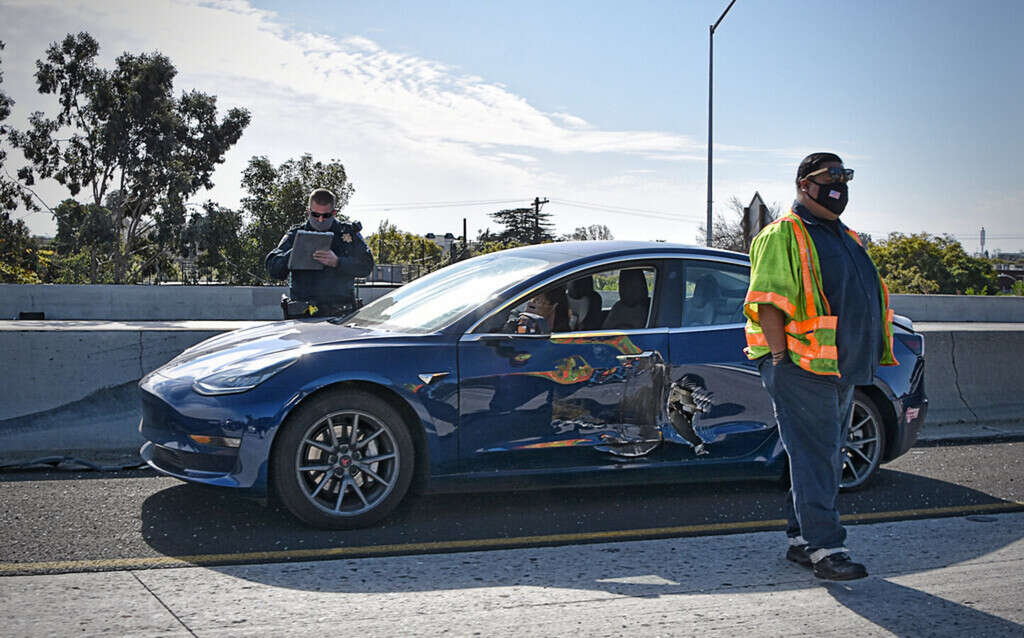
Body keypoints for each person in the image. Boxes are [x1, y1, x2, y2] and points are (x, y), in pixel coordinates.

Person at [743, 152, 898, 581]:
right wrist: (779, 359)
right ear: (802, 185)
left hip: (840, 367)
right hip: (801, 366)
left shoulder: (846, 236)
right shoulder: (784, 234)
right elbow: (766, 301)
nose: (839, 185)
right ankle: (827, 548)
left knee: (819, 456)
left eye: (844, 176)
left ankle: (800, 539)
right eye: (829, 176)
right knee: (818, 458)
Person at [266, 188, 374, 318]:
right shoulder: (295, 234)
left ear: (334, 212)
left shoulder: (348, 233)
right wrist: (295, 253)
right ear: (308, 211)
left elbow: (367, 265)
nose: (321, 220)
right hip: (304, 317)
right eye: (315, 215)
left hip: (341, 317)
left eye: (326, 215)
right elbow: (273, 268)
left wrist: (338, 262)